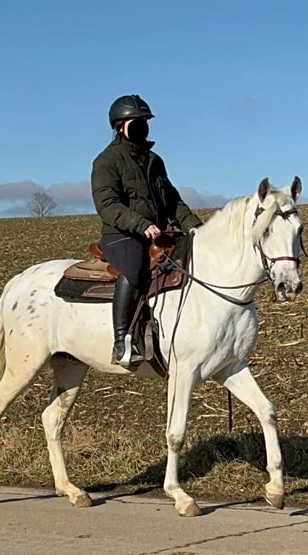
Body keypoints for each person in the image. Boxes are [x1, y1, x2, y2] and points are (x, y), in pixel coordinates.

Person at [91, 94, 203, 367]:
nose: (142, 126)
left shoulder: (155, 161)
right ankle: (121, 342)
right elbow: (107, 204)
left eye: (145, 121)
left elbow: (173, 201)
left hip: (157, 232)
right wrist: (142, 225)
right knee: (135, 267)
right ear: (119, 126)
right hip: (122, 235)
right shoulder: (107, 161)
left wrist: (195, 227)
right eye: (136, 122)